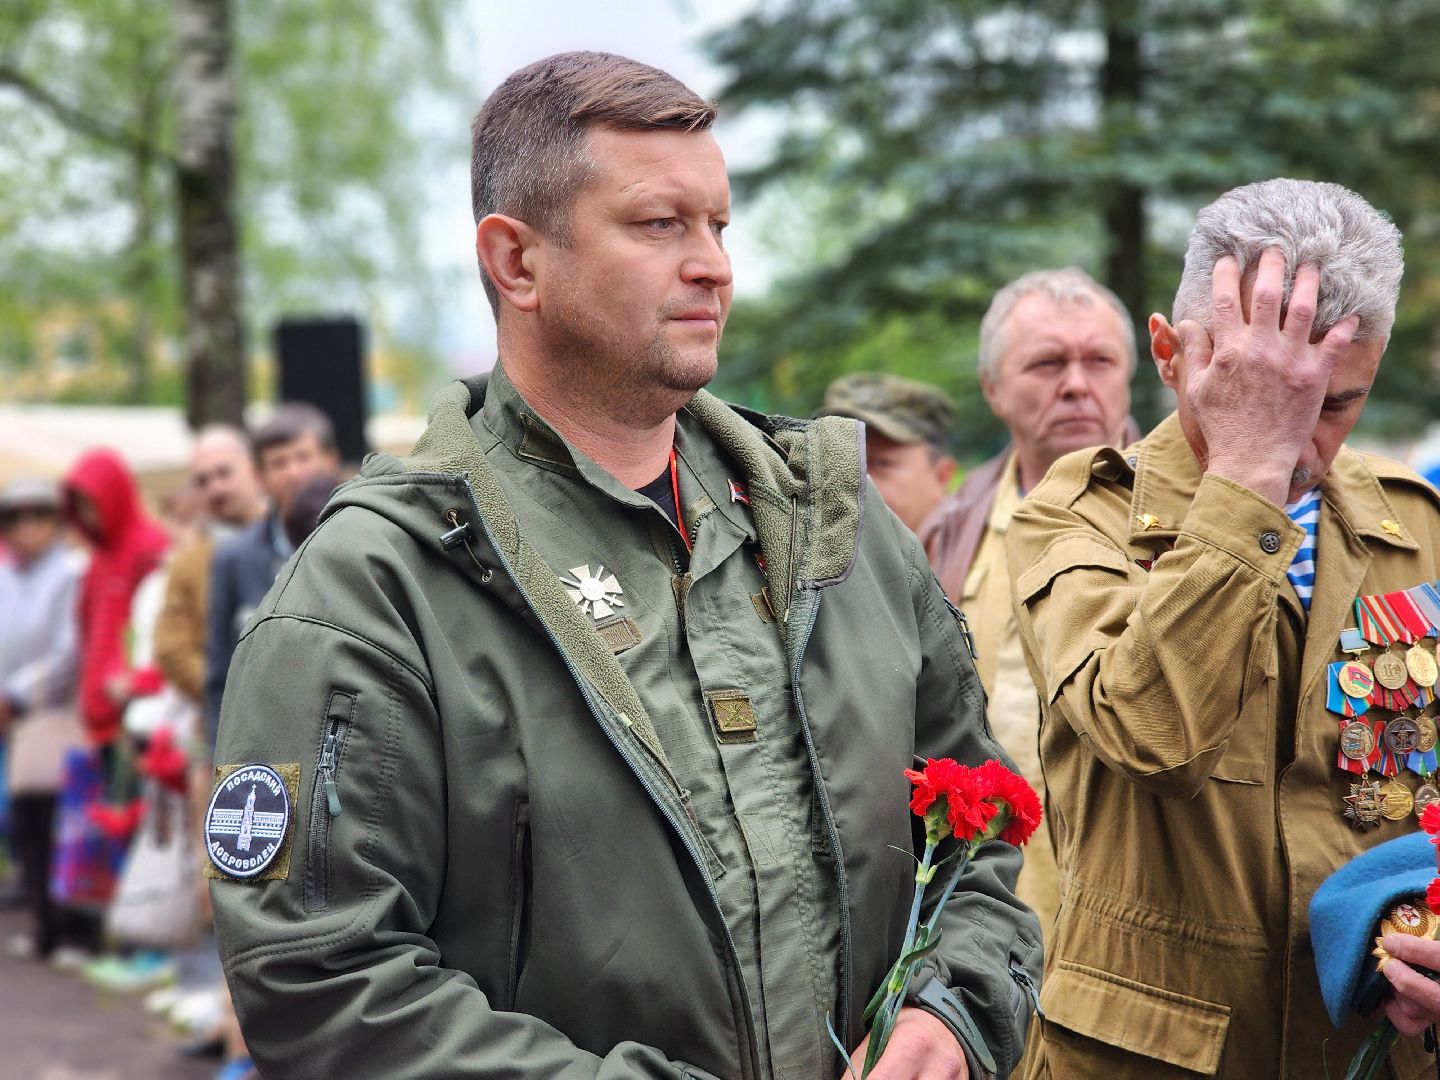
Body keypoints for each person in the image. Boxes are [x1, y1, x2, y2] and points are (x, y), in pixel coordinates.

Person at [209, 51, 1040, 1080]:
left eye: (719, 226)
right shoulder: (377, 589)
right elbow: (321, 980)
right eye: (659, 225)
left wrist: (948, 1013)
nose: (715, 266)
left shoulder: (840, 529)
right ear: (517, 263)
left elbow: (985, 833)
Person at [1007, 179, 1440, 1077]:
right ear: (1169, 354)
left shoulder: (1418, 523)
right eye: (1257, 391)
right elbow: (1154, 734)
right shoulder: (1080, 517)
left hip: (1371, 1048)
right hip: (1153, 1057)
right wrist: (1246, 467)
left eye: (1333, 404)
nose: (1302, 442)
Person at [920, 267, 1137, 937]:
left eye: (1099, 360)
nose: (1076, 383)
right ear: (993, 388)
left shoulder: (1192, 524)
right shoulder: (948, 533)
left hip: (1128, 926)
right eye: (1046, 363)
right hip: (984, 922)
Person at [203, 405, 338, 755]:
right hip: (262, 742)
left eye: (303, 457)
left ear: (330, 460)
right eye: (279, 463)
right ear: (260, 477)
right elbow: (220, 672)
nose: (293, 473)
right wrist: (217, 753)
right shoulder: (234, 556)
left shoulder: (365, 537)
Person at [0, 477, 86, 960]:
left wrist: (15, 691)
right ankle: (44, 930)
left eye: (39, 515)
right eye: (16, 517)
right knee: (25, 823)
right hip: (18, 718)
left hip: (58, 711)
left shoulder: (69, 571)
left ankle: (71, 930)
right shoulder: (6, 576)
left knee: (61, 820)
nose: (28, 527)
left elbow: (66, 651)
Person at [61, 449, 170, 752]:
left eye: (91, 504)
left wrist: (132, 679)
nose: (87, 516)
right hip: (101, 715)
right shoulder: (98, 557)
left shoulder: (149, 547)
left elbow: (155, 629)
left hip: (134, 712)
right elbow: (87, 628)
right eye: (79, 507)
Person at [818, 373, 957, 534]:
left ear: (941, 476)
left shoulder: (980, 553)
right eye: (842, 460)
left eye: (881, 464)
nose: (854, 481)